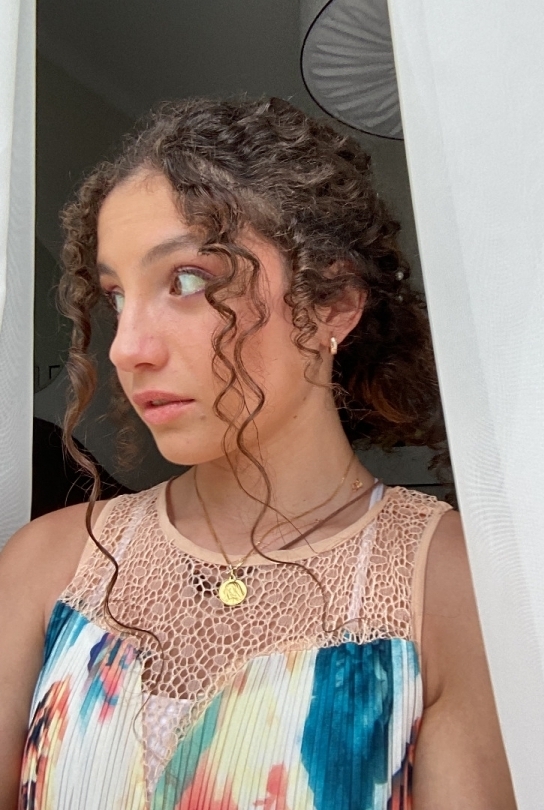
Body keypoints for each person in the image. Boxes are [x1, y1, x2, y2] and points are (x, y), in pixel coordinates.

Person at [0, 97, 517, 809]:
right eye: (117, 296)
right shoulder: (48, 566)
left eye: (187, 280)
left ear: (332, 301)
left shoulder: (451, 587)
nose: (126, 348)